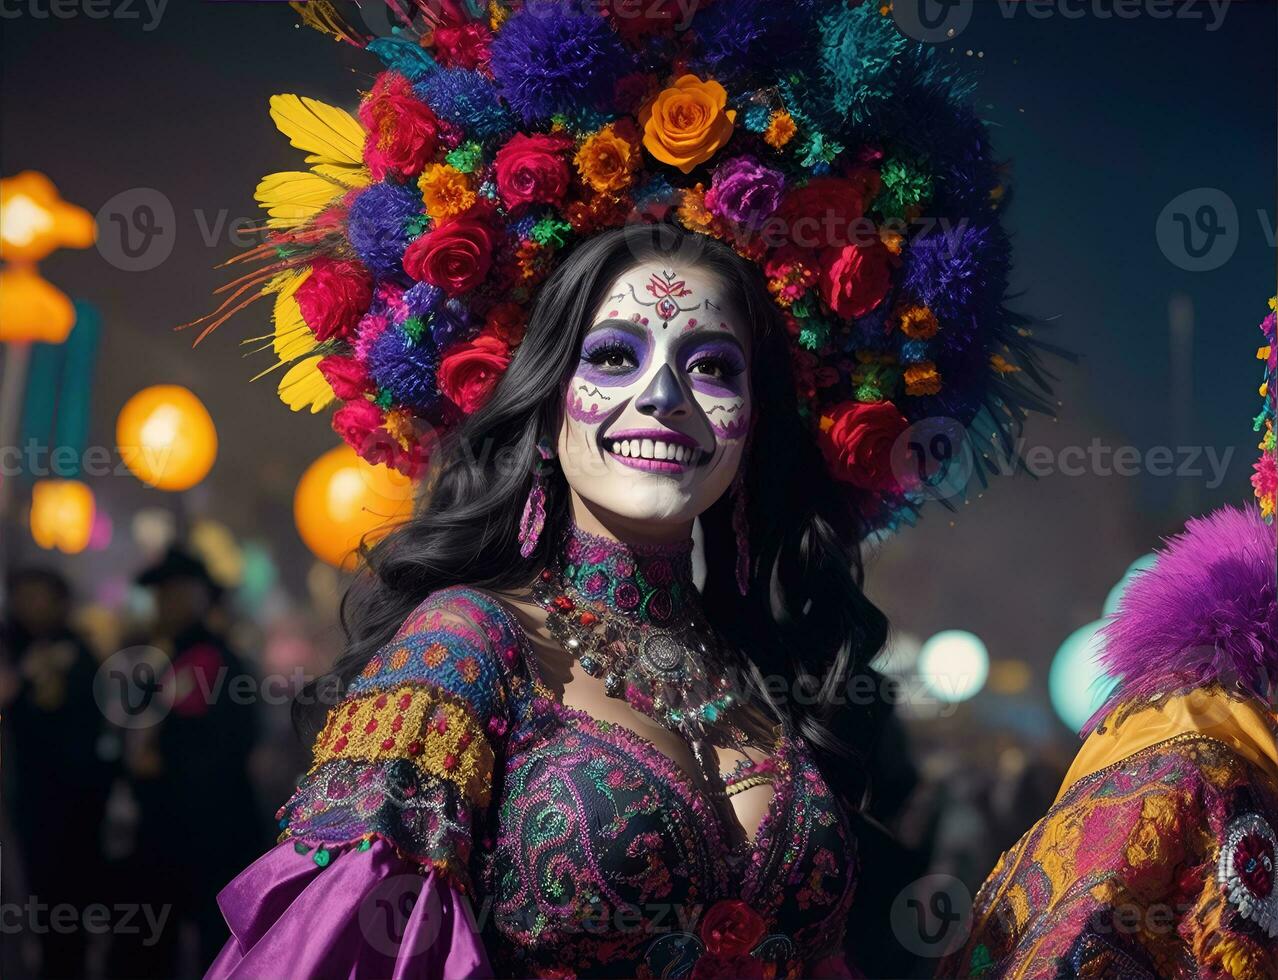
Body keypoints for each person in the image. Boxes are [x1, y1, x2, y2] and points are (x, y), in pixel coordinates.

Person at [198, 2, 1058, 975]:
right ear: (546, 397)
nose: (661, 396)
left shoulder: (768, 666)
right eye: (613, 354)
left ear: (757, 421)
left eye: (712, 366)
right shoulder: (468, 647)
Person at [107, 547, 262, 977]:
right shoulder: (155, 660)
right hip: (161, 831)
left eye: (177, 591)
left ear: (202, 596)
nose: (167, 601)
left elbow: (233, 743)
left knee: (217, 949)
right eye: (161, 593)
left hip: (211, 830)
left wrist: (165, 761)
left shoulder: (222, 661)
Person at [0, 568, 111, 979]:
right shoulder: (14, 651)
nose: (30, 605)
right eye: (23, 596)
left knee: (62, 909)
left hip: (69, 807)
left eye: (39, 596)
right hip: (22, 798)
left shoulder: (77, 657)